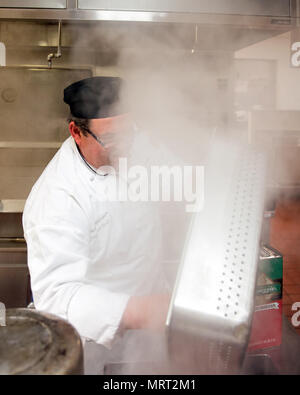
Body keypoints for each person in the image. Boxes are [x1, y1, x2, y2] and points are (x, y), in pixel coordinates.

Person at [22, 76, 170, 374]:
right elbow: (58, 296)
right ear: (76, 131)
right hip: (98, 345)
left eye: (129, 134)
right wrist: (142, 311)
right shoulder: (58, 196)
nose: (124, 147)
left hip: (155, 326)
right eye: (112, 139)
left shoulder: (132, 144)